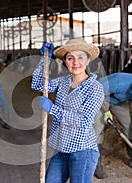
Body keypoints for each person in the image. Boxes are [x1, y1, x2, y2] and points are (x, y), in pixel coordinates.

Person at [31, 39, 104, 183]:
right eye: (70, 58)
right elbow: (39, 84)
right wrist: (44, 60)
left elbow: (83, 121)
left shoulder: (95, 88)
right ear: (65, 62)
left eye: (80, 57)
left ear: (88, 60)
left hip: (82, 150)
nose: (75, 62)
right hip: (61, 148)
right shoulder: (63, 81)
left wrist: (53, 109)